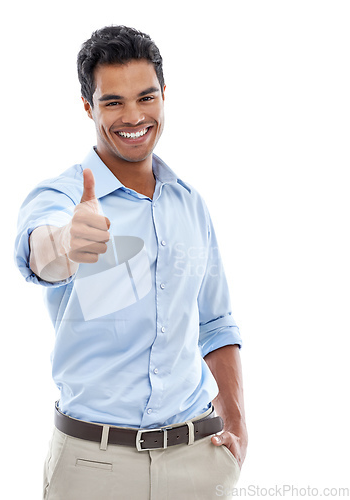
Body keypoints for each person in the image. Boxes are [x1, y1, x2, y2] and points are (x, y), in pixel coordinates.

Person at [14, 25, 247, 500]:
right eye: (113, 102)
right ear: (88, 107)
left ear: (165, 95)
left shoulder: (190, 203)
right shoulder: (61, 196)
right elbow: (40, 252)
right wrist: (66, 243)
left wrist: (238, 426)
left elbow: (217, 322)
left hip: (198, 460)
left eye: (146, 97)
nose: (134, 116)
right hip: (92, 467)